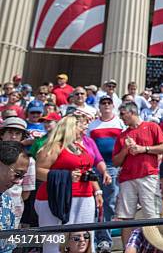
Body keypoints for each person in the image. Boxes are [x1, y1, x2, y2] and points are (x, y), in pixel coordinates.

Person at [35, 115, 103, 253]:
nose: (84, 128)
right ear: (71, 127)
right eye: (80, 125)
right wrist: (66, 176)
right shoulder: (54, 146)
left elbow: (88, 169)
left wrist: (97, 191)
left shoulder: (79, 146)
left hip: (85, 196)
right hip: (57, 198)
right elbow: (38, 171)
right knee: (55, 239)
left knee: (85, 237)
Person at [112, 102, 163, 245]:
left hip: (148, 176)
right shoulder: (122, 135)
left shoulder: (152, 126)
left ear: (132, 112)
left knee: (152, 216)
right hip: (127, 179)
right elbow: (115, 162)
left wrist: (143, 149)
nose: (121, 118)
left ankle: (154, 247)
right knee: (125, 218)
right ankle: (128, 249)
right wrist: (125, 149)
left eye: (123, 114)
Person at [88, 95, 125, 253]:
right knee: (93, 204)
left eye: (109, 102)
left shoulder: (120, 123)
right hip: (94, 166)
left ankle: (105, 240)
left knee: (108, 204)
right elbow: (88, 146)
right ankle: (92, 239)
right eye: (103, 103)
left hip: (113, 166)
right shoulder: (92, 125)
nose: (106, 105)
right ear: (99, 106)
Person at [0, 118, 36, 227]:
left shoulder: (28, 160)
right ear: (2, 134)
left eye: (18, 133)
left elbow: (26, 192)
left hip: (13, 209)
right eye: (10, 132)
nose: (14, 137)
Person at [0, 141, 30, 253]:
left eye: (22, 176)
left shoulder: (7, 202)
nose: (18, 181)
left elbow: (7, 247)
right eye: (18, 174)